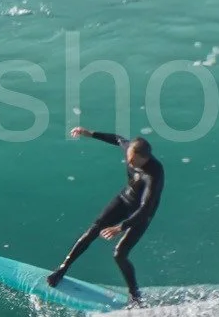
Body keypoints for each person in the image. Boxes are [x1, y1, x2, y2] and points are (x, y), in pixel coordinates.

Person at [46, 126, 162, 304]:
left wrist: (120, 227)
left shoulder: (154, 174)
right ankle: (62, 268)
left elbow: (145, 209)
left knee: (119, 254)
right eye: (128, 159)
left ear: (144, 158)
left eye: (134, 162)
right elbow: (116, 138)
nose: (130, 164)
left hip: (142, 213)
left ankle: (135, 294)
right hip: (125, 199)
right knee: (93, 230)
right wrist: (90, 134)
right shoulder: (131, 148)